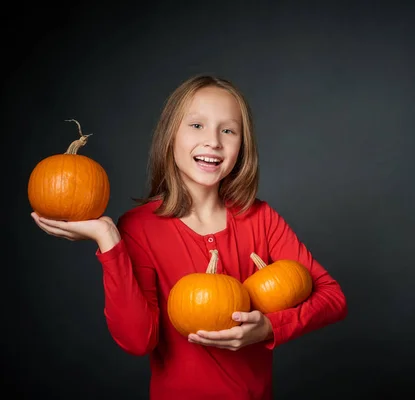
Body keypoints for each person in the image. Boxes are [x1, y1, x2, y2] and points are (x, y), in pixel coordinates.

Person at [30, 75, 348, 400]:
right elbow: (138, 341)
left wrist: (269, 327)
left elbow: (332, 298)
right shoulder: (139, 228)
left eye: (228, 130)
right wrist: (108, 239)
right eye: (197, 126)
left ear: (242, 145)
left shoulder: (261, 218)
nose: (214, 141)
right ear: (171, 135)